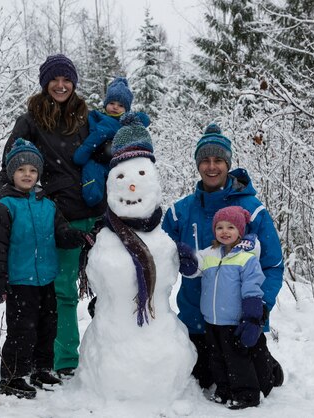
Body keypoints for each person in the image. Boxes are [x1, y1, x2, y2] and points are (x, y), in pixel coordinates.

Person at [0, 54, 104, 378]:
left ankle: (111, 361)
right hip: (57, 219)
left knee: (114, 288)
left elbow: (110, 164)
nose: (61, 85)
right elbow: (9, 171)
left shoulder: (88, 119)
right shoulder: (31, 120)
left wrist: (118, 213)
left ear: (74, 83)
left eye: (66, 79)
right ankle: (62, 360)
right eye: (54, 80)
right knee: (62, 293)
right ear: (45, 83)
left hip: (96, 215)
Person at [162, 123, 285, 391]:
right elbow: (154, 254)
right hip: (197, 320)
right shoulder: (180, 212)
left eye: (218, 160)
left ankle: (265, 363)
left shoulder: (251, 210)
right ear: (197, 164)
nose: (211, 166)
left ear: (228, 164)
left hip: (238, 320)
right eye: (205, 160)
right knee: (204, 380)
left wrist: (259, 310)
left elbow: (273, 264)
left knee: (260, 384)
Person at [0, 139, 93, 399]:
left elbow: (61, 232)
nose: (27, 175)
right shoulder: (5, 206)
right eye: (21, 170)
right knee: (22, 330)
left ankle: (40, 369)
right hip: (20, 281)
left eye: (32, 170)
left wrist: (80, 236)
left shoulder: (48, 205)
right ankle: (12, 376)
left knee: (48, 328)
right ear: (12, 173)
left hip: (46, 279)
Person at [179, 206, 272, 409]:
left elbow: (252, 289)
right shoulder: (210, 254)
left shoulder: (247, 258)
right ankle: (224, 390)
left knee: (237, 360)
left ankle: (247, 393)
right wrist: (187, 260)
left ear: (240, 231)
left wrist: (252, 317)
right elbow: (196, 267)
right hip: (212, 321)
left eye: (231, 227)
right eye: (220, 227)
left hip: (234, 321)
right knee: (217, 359)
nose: (225, 231)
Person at [73, 77, 150, 207]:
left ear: (127, 109)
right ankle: (93, 197)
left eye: (121, 105)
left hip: (119, 160)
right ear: (106, 103)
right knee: (91, 168)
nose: (115, 107)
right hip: (99, 157)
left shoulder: (126, 122)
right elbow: (93, 136)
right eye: (112, 103)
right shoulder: (96, 117)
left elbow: (144, 121)